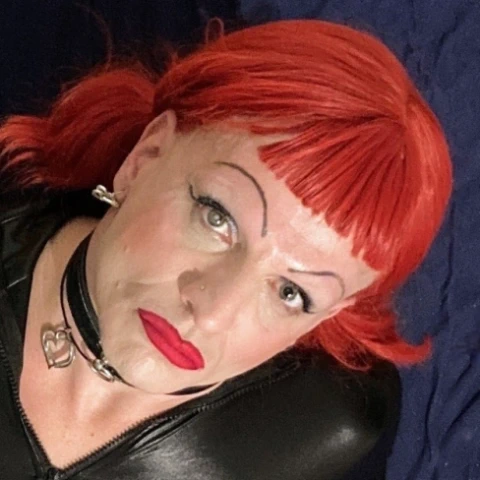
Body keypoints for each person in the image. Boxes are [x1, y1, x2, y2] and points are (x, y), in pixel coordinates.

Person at [0, 19, 451, 480]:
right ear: (146, 156)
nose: (213, 312)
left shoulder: (332, 428)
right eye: (217, 218)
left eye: (292, 293)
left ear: (328, 314)